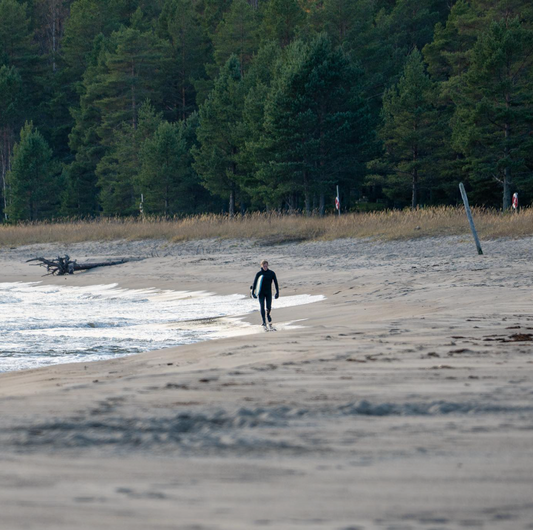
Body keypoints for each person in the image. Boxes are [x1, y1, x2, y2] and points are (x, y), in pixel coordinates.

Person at [251, 259, 279, 330]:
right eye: (264, 266)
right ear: (261, 266)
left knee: (269, 306)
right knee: (262, 307)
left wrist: (277, 292)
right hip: (261, 293)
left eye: (266, 266)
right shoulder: (259, 274)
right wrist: (253, 293)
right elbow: (255, 284)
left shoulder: (271, 273)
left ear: (267, 265)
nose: (265, 267)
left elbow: (276, 283)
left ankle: (268, 314)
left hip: (268, 292)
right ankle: (264, 321)